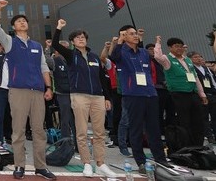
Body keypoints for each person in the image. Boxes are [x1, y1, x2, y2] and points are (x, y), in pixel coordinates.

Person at [0, 0, 56, 180]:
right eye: (18, 21)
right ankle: (19, 165)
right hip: (18, 91)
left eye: (24, 20)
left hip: (38, 91)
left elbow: (44, 67)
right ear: (14, 27)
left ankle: (40, 166)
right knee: (18, 130)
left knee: (39, 131)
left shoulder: (37, 46)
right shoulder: (10, 42)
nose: (22, 22)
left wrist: (48, 87)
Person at [51, 19, 116, 178]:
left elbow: (102, 79)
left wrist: (106, 97)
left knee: (99, 132)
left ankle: (100, 163)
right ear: (73, 41)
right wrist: (59, 28)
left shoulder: (94, 57)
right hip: (79, 96)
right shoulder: (71, 55)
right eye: (77, 37)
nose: (81, 39)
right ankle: (87, 163)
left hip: (98, 97)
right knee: (82, 131)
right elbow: (55, 44)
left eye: (83, 37)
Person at [109, 26, 171, 174]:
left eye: (135, 33)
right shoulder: (121, 51)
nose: (135, 36)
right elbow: (113, 57)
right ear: (124, 36)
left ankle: (160, 159)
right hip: (133, 95)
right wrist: (119, 42)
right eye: (131, 34)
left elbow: (151, 67)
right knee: (136, 128)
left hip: (150, 94)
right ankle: (141, 161)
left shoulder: (144, 52)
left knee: (154, 128)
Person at [153, 36, 207, 147]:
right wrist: (158, 43)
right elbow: (157, 56)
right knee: (184, 122)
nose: (179, 49)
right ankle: (187, 147)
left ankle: (198, 146)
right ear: (170, 48)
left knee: (198, 120)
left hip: (193, 93)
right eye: (176, 46)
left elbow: (195, 77)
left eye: (181, 46)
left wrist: (202, 94)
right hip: (179, 94)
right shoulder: (167, 59)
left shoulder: (187, 60)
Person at [189, 51, 216, 143]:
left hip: (211, 94)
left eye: (200, 57)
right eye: (195, 57)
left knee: (214, 115)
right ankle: (209, 136)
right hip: (201, 95)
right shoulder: (191, 68)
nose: (199, 59)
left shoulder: (206, 68)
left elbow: (212, 81)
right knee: (204, 116)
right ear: (191, 59)